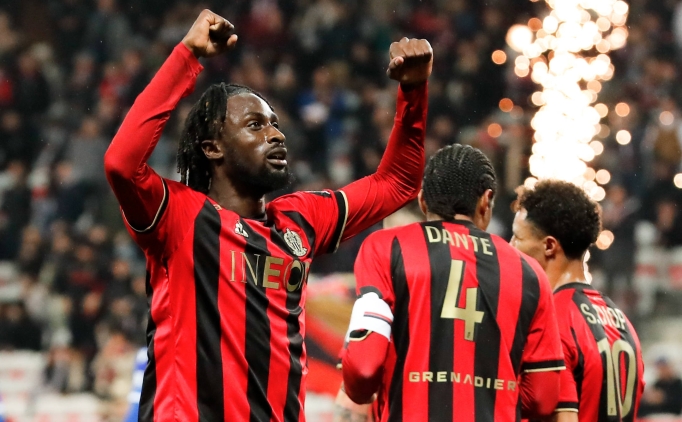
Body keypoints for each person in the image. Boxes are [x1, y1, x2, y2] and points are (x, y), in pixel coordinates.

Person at [104, 9, 432, 422]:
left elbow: (398, 182)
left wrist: (414, 91)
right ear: (212, 148)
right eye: (255, 125)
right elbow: (121, 163)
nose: (275, 135)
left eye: (275, 125)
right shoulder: (180, 216)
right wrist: (187, 55)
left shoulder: (300, 219)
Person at [339, 144, 564, 422]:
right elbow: (543, 398)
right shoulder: (529, 272)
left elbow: (362, 371)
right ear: (486, 201)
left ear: (423, 201)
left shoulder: (386, 247)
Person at [511, 180, 645, 422]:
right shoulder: (624, 323)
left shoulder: (553, 319)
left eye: (517, 237)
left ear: (549, 245)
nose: (510, 247)